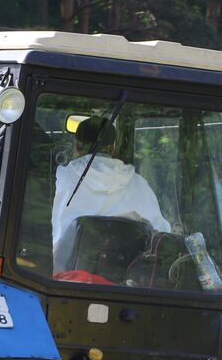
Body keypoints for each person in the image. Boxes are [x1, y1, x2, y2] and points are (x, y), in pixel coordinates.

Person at [51, 115, 171, 271]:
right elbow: (162, 236)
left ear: (76, 148)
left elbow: (47, 237)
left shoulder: (62, 180)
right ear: (113, 148)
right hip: (127, 286)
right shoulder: (139, 184)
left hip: (63, 282)